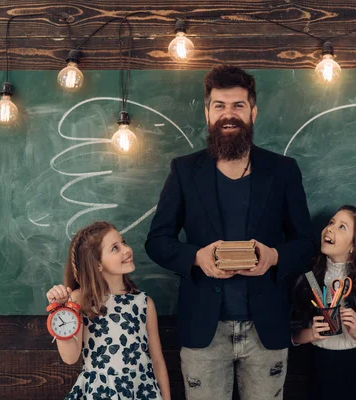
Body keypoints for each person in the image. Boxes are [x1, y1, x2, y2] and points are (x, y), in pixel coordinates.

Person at [145, 65, 314, 400]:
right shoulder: (183, 171)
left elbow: (307, 245)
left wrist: (274, 257)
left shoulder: (283, 171)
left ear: (253, 111)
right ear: (208, 112)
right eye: (220, 105)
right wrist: (196, 257)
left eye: (238, 105)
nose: (229, 114)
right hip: (203, 329)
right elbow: (157, 242)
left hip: (266, 329)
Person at [46, 221, 171, 399]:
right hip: (100, 393)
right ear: (97, 264)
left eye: (124, 242)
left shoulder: (143, 303)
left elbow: (157, 360)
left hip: (141, 391)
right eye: (115, 248)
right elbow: (70, 357)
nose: (127, 250)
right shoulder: (80, 300)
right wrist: (60, 311)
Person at [292, 205, 356, 400]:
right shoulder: (309, 280)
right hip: (317, 366)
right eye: (331, 222)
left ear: (354, 245)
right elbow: (292, 334)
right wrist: (311, 333)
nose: (330, 228)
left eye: (341, 227)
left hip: (354, 369)